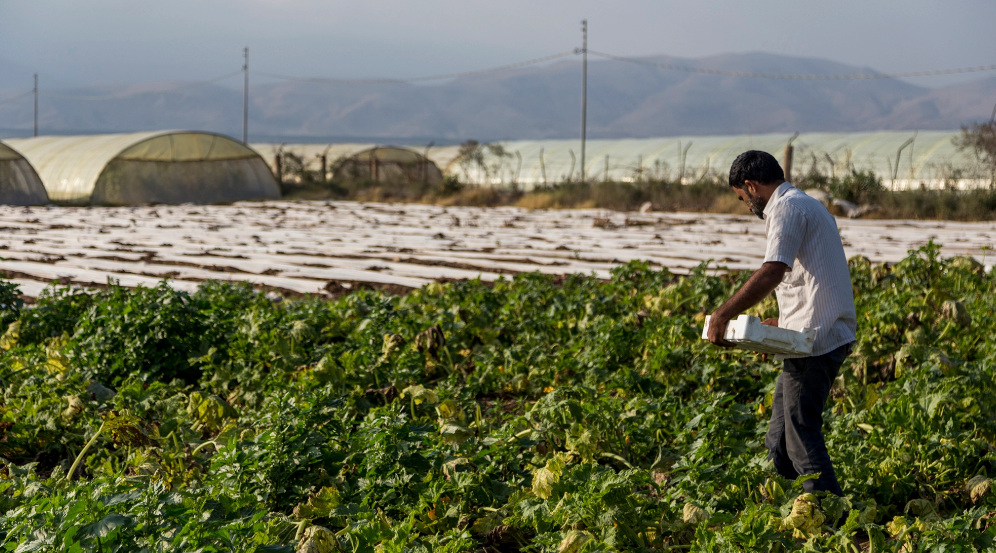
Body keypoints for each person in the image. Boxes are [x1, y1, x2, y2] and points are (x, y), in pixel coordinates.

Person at [706, 150, 857, 496]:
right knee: (778, 438)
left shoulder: (786, 208)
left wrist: (722, 313)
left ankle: (829, 515)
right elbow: (810, 276)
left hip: (816, 340)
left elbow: (774, 270)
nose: (747, 206)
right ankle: (792, 507)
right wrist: (781, 321)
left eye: (743, 198)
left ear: (751, 185)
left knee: (801, 432)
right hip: (815, 332)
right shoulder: (806, 204)